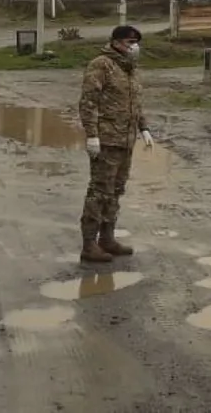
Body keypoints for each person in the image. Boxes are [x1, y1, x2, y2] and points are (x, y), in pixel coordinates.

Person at [77, 25, 154, 263]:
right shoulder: (101, 65)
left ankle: (107, 238)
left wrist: (144, 128)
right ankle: (89, 245)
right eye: (130, 42)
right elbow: (88, 102)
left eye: (135, 42)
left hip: (126, 140)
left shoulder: (129, 69)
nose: (134, 47)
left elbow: (134, 103)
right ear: (117, 43)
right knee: (99, 192)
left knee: (116, 192)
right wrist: (92, 135)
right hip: (106, 140)